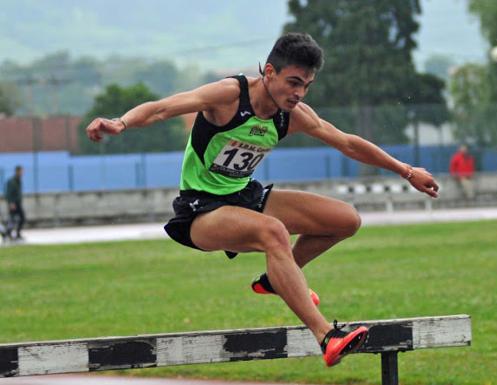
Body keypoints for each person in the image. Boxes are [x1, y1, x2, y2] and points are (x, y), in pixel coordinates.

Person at [85, 32, 439, 367]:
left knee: (346, 220)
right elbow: (164, 108)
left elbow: (347, 142)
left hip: (246, 197)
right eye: (294, 82)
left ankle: (276, 279)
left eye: (306, 86)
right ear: (269, 72)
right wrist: (121, 122)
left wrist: (407, 171)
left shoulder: (293, 114)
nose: (299, 93)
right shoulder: (228, 96)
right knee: (273, 232)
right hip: (201, 210)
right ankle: (326, 336)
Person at [5, 165, 26, 241]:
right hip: (13, 204)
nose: (22, 173)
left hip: (18, 203)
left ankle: (16, 234)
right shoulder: (12, 181)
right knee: (12, 220)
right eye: (21, 171)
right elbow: (8, 193)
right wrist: (11, 203)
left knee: (22, 218)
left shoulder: (18, 180)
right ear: (17, 171)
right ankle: (7, 234)